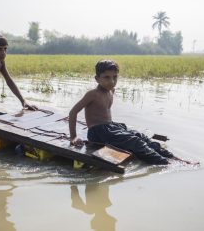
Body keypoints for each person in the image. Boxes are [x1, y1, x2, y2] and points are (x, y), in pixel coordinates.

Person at [69, 59, 197, 165]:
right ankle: (164, 163)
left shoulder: (110, 91)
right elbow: (73, 112)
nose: (112, 81)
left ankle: (173, 158)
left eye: (115, 77)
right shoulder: (92, 94)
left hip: (111, 127)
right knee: (135, 141)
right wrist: (74, 136)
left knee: (140, 136)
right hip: (98, 132)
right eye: (107, 77)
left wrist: (115, 128)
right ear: (97, 79)